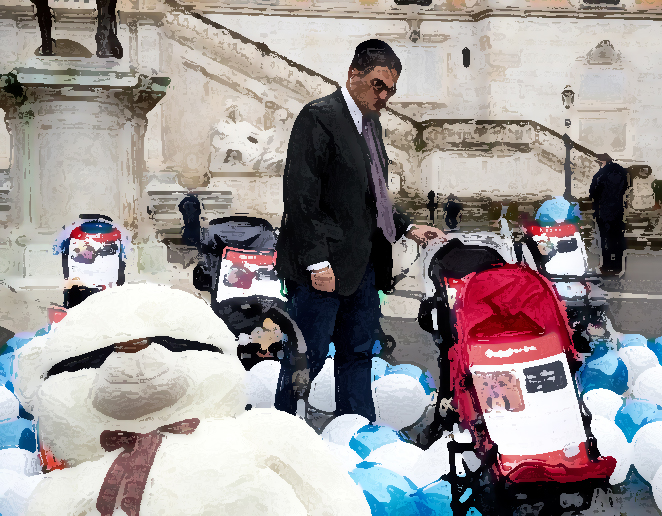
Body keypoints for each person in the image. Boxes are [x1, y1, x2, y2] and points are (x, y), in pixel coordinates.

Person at [14, 284, 371, 516]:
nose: (136, 355)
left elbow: (334, 499)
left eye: (172, 345)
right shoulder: (69, 487)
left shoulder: (263, 434)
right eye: (95, 359)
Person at [275, 40, 445, 420]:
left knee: (358, 354)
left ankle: (356, 430)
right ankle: (284, 430)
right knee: (307, 357)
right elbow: (301, 195)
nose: (384, 96)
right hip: (323, 267)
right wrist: (316, 261)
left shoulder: (372, 126)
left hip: (363, 265)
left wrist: (409, 225)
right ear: (353, 74)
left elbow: (374, 197)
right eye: (378, 85)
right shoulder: (318, 117)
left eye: (391, 90)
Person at [589, 153, 628, 274]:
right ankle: (618, 266)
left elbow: (592, 192)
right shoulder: (621, 172)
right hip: (617, 210)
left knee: (605, 239)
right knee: (617, 239)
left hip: (604, 211)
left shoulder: (601, 174)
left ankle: (606, 265)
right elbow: (626, 187)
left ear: (603, 161)